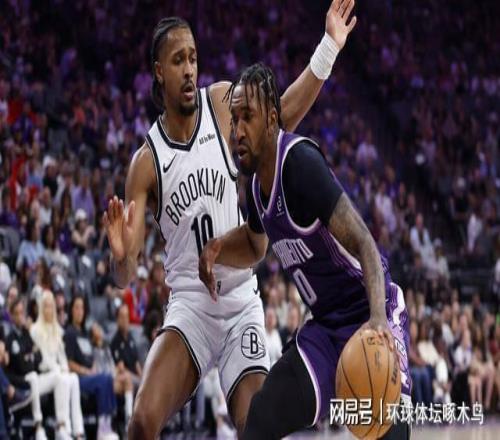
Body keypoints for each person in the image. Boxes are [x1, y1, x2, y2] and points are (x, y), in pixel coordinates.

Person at [103, 2, 357, 438]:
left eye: (193, 58)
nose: (189, 69)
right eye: (178, 60)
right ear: (159, 71)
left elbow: (280, 116)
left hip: (241, 302)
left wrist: (329, 47)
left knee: (254, 427)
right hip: (191, 307)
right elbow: (124, 275)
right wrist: (121, 257)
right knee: (141, 424)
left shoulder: (222, 104)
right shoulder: (145, 164)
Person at [199, 63, 411, 439]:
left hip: (369, 313)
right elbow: (253, 244)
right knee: (260, 419)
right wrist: (217, 248)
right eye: (234, 119)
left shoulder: (299, 164)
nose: (237, 131)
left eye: (247, 116)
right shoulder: (256, 189)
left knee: (389, 433)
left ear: (272, 119)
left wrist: (379, 320)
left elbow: (365, 242)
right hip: (326, 330)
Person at [6, 298, 69, 440]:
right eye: (16, 313)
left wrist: (29, 357)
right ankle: (38, 427)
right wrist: (30, 357)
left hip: (33, 379)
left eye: (22, 312)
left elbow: (39, 357)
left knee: (58, 377)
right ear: (11, 316)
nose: (20, 316)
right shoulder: (10, 339)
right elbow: (21, 367)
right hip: (21, 382)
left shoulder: (27, 333)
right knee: (33, 376)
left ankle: (61, 426)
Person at [30, 290, 85, 440]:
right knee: (60, 377)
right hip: (43, 375)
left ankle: (78, 431)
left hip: (57, 373)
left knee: (73, 378)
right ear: (41, 308)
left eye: (51, 306)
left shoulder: (58, 331)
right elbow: (43, 360)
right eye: (46, 306)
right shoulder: (35, 330)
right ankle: (61, 426)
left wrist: (65, 368)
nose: (49, 309)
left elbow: (62, 357)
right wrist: (59, 370)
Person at [64, 295, 118, 440]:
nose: (79, 311)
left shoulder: (84, 334)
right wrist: (86, 371)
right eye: (76, 307)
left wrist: (93, 368)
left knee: (108, 378)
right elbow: (69, 363)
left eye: (82, 308)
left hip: (89, 375)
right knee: (104, 379)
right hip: (78, 378)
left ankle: (108, 421)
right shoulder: (70, 333)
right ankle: (102, 427)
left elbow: (91, 357)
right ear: (71, 310)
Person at [91, 323, 134, 427]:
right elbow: (98, 371)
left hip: (111, 377)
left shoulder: (106, 348)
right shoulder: (93, 350)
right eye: (96, 329)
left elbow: (111, 366)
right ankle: (121, 420)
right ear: (92, 336)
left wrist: (117, 370)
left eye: (99, 327)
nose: (99, 330)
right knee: (124, 378)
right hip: (103, 380)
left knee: (128, 377)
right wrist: (114, 372)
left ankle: (129, 418)